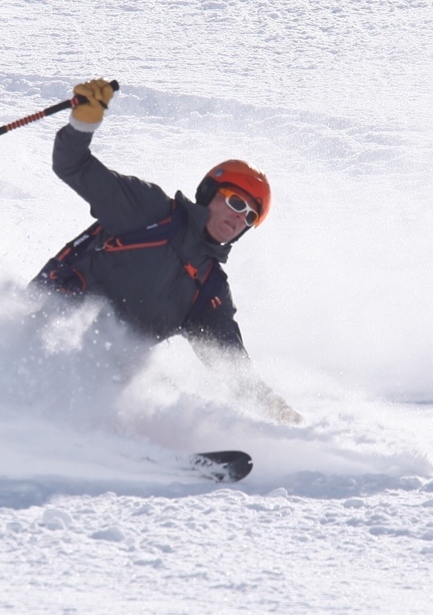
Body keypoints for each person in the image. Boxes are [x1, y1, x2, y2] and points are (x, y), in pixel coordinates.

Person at [33, 80, 301, 423]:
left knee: (151, 388)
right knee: (58, 366)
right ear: (209, 193)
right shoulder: (149, 211)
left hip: (98, 381)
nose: (239, 217)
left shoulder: (209, 289)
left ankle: (119, 439)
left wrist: (274, 409)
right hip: (42, 329)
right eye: (235, 202)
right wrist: (83, 123)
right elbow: (72, 165)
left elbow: (231, 367)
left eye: (250, 216)